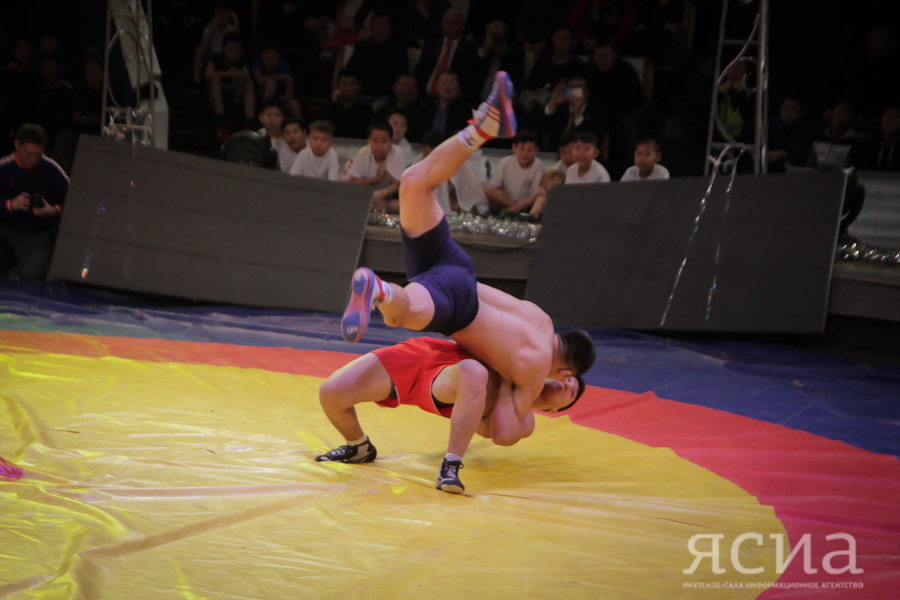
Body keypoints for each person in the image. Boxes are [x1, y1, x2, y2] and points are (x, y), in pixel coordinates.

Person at [340, 71, 597, 441]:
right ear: (565, 374)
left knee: (415, 182)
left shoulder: (541, 319)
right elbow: (504, 433)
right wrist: (523, 398)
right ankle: (378, 289)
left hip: (458, 271)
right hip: (459, 305)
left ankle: (479, 129)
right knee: (403, 314)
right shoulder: (532, 370)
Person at [316, 336, 586, 493]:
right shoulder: (523, 363)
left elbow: (501, 434)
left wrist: (508, 380)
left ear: (554, 411)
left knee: (474, 371)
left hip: (443, 381)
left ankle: (451, 465)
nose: (566, 385)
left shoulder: (525, 420)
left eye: (570, 392)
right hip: (426, 354)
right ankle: (359, 446)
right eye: (570, 381)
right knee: (331, 392)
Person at [0, 124, 69, 281]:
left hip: (34, 233)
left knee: (33, 277)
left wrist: (54, 210)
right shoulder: (4, 167)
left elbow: (77, 200)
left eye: (38, 155)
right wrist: (9, 205)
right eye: (28, 154)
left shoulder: (52, 169)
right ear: (17, 145)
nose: (33, 160)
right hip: (4, 228)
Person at [205, 32, 256, 144]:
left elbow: (247, 75)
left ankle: (250, 122)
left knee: (248, 83)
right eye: (231, 49)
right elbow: (208, 74)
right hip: (216, 99)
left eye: (238, 50)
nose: (234, 53)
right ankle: (221, 122)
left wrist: (238, 75)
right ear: (224, 48)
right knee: (214, 81)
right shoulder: (216, 58)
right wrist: (228, 73)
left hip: (235, 98)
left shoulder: (242, 61)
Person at [347, 120, 407, 212]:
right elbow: (353, 181)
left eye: (384, 142)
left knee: (398, 205)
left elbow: (398, 183)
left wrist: (381, 194)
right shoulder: (363, 152)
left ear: (391, 141)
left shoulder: (397, 153)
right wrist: (377, 179)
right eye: (375, 141)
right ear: (368, 140)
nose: (379, 146)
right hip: (364, 196)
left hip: (388, 198)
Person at [483, 129, 545, 215]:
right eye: (522, 149)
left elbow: (534, 193)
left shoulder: (538, 165)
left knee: (541, 195)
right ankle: (513, 209)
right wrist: (512, 203)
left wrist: (523, 204)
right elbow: (493, 186)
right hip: (508, 202)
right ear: (514, 148)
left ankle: (518, 213)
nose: (525, 153)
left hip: (527, 203)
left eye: (530, 150)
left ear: (536, 150)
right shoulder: (505, 162)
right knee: (488, 188)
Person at [528, 130, 577, 220]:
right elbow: (546, 179)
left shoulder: (583, 166)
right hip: (562, 199)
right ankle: (529, 224)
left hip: (578, 204)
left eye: (570, 152)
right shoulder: (561, 164)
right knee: (542, 197)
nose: (567, 157)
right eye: (563, 153)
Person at [766, 95, 815, 173]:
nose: (788, 113)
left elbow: (799, 159)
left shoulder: (806, 131)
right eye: (785, 108)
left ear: (802, 113)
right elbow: (761, 153)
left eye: (794, 109)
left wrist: (780, 158)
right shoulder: (771, 126)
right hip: (768, 170)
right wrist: (781, 158)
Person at [251, 44, 301, 117]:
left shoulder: (284, 66)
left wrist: (277, 101)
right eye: (268, 57)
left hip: (279, 99)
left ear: (279, 58)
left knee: (294, 103)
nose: (271, 60)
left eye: (274, 57)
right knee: (271, 84)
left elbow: (290, 93)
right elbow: (260, 79)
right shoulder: (257, 62)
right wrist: (281, 77)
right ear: (262, 56)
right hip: (260, 99)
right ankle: (263, 114)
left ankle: (300, 126)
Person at [322, 69, 372, 140]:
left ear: (359, 86)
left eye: (352, 84)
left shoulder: (366, 110)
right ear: (338, 86)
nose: (348, 88)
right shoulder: (329, 107)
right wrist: (333, 104)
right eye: (343, 84)